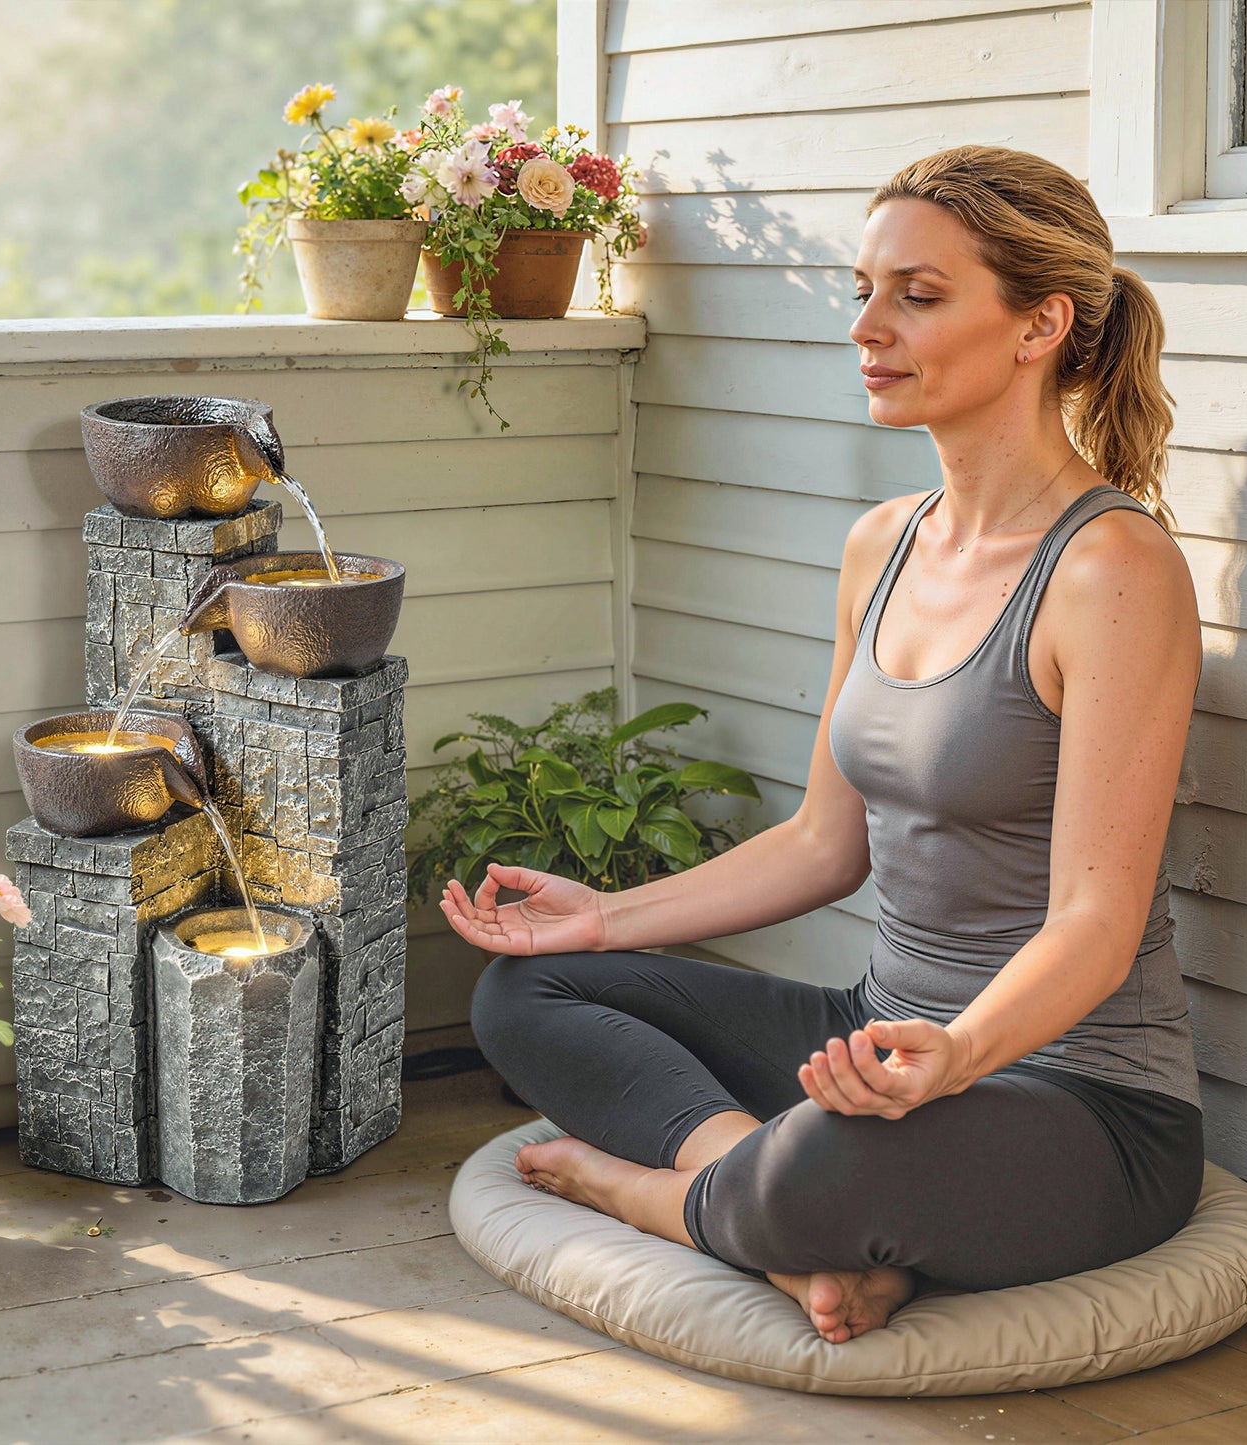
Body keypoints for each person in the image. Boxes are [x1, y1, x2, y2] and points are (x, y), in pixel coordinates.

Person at [439, 145, 1204, 1345]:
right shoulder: (883, 544)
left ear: (1037, 324)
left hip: (1073, 1094)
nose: (865, 326)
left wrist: (953, 1055)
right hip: (875, 1032)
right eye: (863, 289)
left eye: (917, 294)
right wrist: (603, 915)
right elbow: (819, 841)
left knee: (826, 1165)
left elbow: (1094, 923)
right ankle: (768, 1202)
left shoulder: (1110, 570)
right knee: (526, 987)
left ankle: (661, 1193)